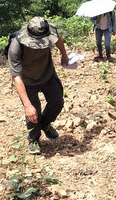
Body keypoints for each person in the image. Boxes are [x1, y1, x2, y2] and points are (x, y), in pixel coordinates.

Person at [7, 16, 69, 154]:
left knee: (57, 102)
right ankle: (34, 138)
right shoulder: (16, 46)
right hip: (28, 81)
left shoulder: (50, 31)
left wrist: (64, 55)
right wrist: (28, 106)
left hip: (48, 74)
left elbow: (58, 39)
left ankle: (45, 123)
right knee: (33, 113)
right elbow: (16, 77)